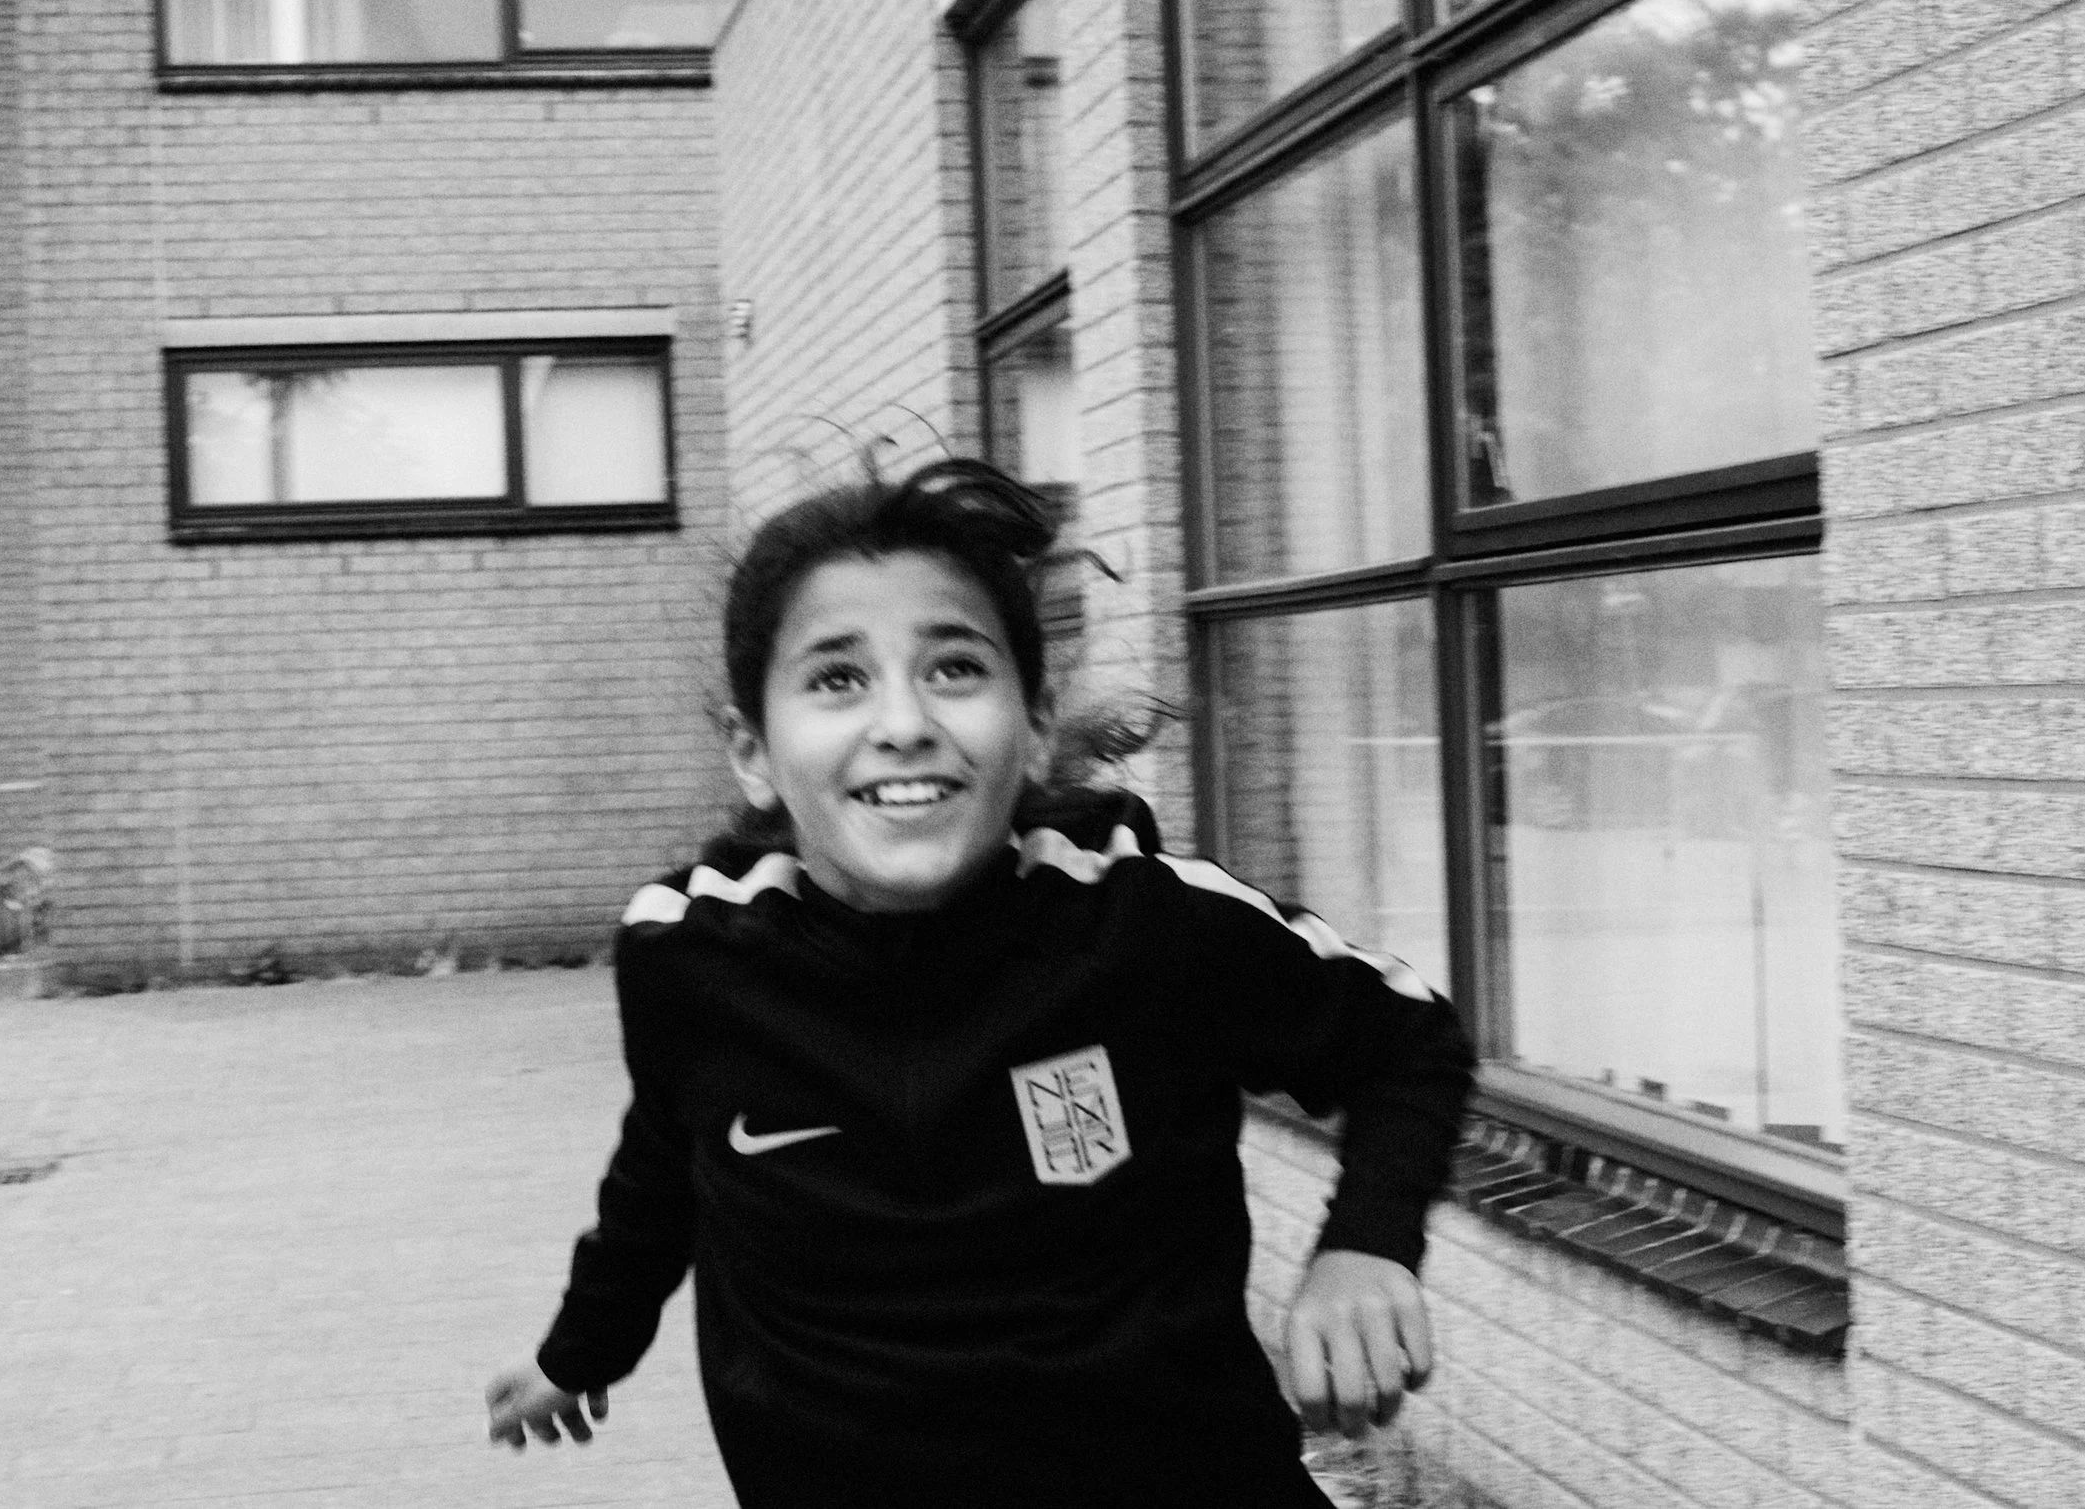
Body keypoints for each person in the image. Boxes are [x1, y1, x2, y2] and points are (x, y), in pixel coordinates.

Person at [486, 458, 1475, 1507]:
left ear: (1036, 720)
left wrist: (1365, 1249)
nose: (903, 722)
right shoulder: (691, 958)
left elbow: (1406, 1041)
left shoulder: (1150, 927)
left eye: (954, 668)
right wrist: (581, 1349)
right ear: (752, 751)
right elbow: (662, 1169)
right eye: (836, 679)